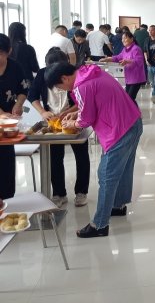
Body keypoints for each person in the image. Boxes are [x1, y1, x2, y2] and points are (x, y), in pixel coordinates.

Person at [45, 62, 143, 238]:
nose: (63, 90)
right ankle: (117, 205)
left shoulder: (81, 86)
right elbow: (94, 103)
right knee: (123, 169)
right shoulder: (90, 73)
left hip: (118, 130)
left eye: (60, 87)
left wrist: (72, 123)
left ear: (64, 78)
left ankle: (99, 225)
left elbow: (86, 119)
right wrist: (76, 113)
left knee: (106, 175)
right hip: (132, 122)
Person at [28, 48, 90, 207]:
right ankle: (59, 193)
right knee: (55, 158)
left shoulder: (74, 75)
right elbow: (32, 96)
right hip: (53, 121)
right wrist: (43, 112)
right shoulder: (42, 75)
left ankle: (81, 192)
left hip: (75, 118)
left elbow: (83, 101)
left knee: (81, 156)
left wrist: (68, 113)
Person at [0, 34, 27, 200]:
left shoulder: (15, 67)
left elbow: (23, 89)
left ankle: (6, 200)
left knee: (6, 162)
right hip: (4, 117)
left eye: (1, 53)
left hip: (8, 124)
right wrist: (2, 114)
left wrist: (18, 104)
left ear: (8, 51)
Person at [101, 31, 146, 102]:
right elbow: (118, 57)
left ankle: (134, 109)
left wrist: (127, 61)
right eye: (122, 38)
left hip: (136, 78)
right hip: (129, 77)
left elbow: (139, 61)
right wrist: (108, 59)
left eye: (125, 38)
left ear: (131, 39)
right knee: (128, 98)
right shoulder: (125, 49)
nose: (123, 40)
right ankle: (134, 109)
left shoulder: (136, 49)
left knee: (130, 98)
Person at [8, 21, 39, 86]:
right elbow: (35, 68)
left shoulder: (6, 48)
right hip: (26, 82)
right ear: (22, 33)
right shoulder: (28, 48)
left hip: (9, 81)